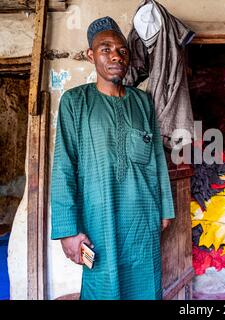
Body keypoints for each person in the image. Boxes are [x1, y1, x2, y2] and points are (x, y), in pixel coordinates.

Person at [50, 16, 175, 300]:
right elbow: (63, 167)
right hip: (97, 220)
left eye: (122, 50)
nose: (116, 55)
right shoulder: (75, 101)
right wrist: (68, 231)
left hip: (143, 219)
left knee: (145, 284)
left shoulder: (142, 102)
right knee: (102, 286)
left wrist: (166, 209)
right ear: (90, 55)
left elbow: (156, 155)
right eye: (105, 49)